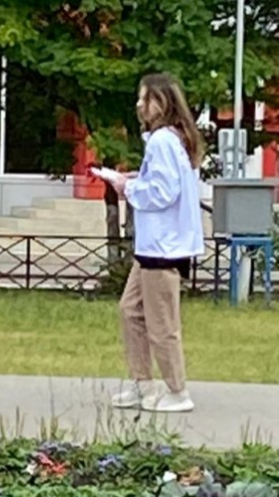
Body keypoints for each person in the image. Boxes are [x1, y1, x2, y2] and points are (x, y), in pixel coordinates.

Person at [103, 73, 205, 413]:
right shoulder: (173, 139)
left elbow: (163, 193)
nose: (139, 104)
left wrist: (127, 187)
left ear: (161, 103)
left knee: (162, 323)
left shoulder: (163, 140)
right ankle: (142, 383)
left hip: (163, 247)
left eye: (145, 98)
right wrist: (138, 179)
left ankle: (177, 391)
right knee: (130, 310)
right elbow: (167, 184)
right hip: (154, 247)